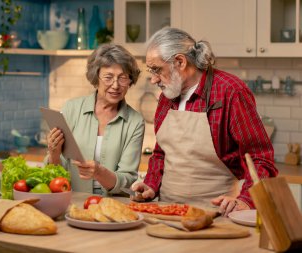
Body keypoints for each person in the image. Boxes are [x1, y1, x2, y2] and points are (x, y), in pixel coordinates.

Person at [131, 27, 278, 216]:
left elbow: (260, 158)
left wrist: (245, 201)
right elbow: (161, 153)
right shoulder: (168, 95)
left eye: (157, 70)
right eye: (151, 71)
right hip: (168, 212)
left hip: (218, 216)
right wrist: (150, 185)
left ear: (180, 62)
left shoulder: (230, 91)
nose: (153, 79)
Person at [45, 43, 145, 195]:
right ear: (95, 77)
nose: (116, 85)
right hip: (73, 201)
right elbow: (55, 175)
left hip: (114, 206)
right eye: (108, 77)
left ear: (130, 81)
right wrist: (54, 154)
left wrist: (99, 172)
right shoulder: (71, 109)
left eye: (123, 78)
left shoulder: (135, 121)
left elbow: (127, 179)